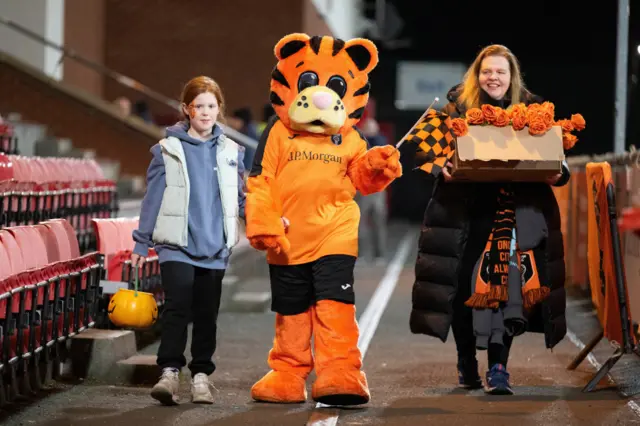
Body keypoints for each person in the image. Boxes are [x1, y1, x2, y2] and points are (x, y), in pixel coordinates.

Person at [409, 44, 570, 395]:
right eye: (487, 71)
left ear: (512, 77)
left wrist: (559, 175)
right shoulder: (454, 107)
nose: (492, 77)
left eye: (500, 72)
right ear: (476, 74)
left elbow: (558, 159)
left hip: (511, 214)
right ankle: (466, 361)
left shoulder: (532, 110)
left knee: (507, 292)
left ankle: (499, 367)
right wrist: (442, 167)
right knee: (464, 292)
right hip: (462, 217)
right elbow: (419, 151)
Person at [130, 76, 246, 405]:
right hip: (176, 246)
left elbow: (240, 199)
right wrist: (142, 242)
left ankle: (200, 377)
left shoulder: (231, 152)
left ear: (219, 109)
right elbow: (152, 198)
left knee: (207, 314)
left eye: (212, 106)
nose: (206, 112)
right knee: (177, 309)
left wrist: (268, 219)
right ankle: (168, 373)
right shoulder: (167, 149)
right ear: (186, 109)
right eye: (199, 106)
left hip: (215, 247)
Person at [356, 117, 390, 264]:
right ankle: (361, 254)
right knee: (359, 224)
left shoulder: (380, 141)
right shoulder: (359, 142)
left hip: (377, 190)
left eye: (373, 128)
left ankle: (379, 255)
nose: (370, 130)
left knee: (378, 222)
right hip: (362, 189)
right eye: (367, 128)